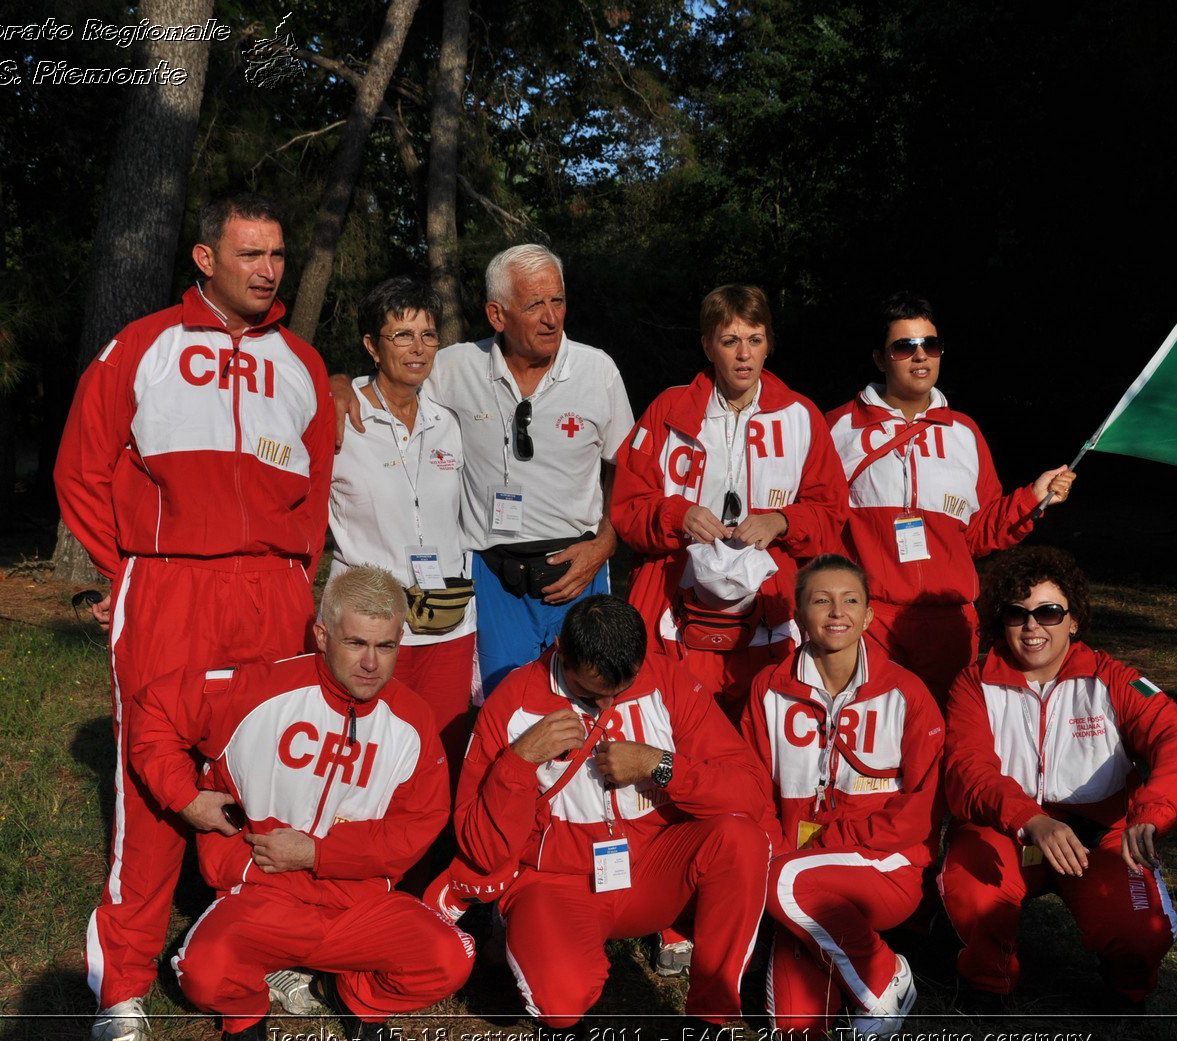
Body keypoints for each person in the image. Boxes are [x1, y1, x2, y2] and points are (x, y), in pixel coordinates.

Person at [53, 193, 334, 1041]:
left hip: (274, 591)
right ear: (206, 259)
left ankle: (262, 946)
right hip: (171, 589)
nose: (268, 270)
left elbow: (316, 490)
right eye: (251, 254)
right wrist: (124, 567)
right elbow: (80, 467)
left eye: (278, 255)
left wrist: (298, 579)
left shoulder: (303, 362)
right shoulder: (144, 346)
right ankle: (125, 981)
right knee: (152, 778)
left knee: (266, 774)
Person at [129, 567, 474, 1041]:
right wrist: (185, 798)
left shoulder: (414, 721)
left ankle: (352, 996)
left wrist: (319, 853)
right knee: (201, 974)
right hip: (261, 894)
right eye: (356, 643)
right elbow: (153, 709)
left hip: (359, 904)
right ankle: (246, 1014)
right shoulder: (258, 689)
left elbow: (414, 830)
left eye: (386, 647)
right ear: (321, 635)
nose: (371, 664)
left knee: (450, 960)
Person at [450, 594, 773, 1041]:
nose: (605, 703)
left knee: (742, 839)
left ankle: (710, 1021)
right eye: (590, 692)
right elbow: (480, 848)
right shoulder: (514, 702)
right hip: (556, 881)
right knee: (560, 1004)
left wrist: (663, 766)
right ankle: (529, 949)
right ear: (561, 650)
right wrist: (518, 763)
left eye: (620, 690)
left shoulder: (665, 679)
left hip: (652, 868)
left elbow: (750, 793)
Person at [338, 245, 633, 696]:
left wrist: (605, 543)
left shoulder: (598, 371)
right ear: (497, 315)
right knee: (502, 701)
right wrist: (335, 383)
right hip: (494, 579)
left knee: (589, 697)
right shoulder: (455, 366)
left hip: (579, 568)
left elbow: (626, 469)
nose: (552, 318)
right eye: (535, 305)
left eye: (558, 301)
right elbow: (393, 378)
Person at [937, 546, 1177, 1012]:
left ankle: (1127, 984)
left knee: (1141, 932)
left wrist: (1152, 813)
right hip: (1008, 830)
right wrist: (1030, 819)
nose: (1032, 626)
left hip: (1102, 837)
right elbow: (969, 768)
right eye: (1016, 613)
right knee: (971, 890)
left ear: (1074, 619)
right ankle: (988, 980)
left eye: (1048, 612)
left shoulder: (1115, 679)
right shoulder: (972, 683)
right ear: (1000, 620)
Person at [612, 284, 847, 723]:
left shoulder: (801, 416)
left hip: (770, 608)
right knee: (673, 728)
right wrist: (677, 514)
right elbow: (627, 507)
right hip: (674, 603)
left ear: (768, 345)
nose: (744, 354)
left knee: (764, 730)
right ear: (707, 346)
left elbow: (832, 512)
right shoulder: (668, 409)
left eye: (755, 340)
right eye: (730, 340)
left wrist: (781, 520)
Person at [825, 293, 1076, 701]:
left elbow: (978, 535)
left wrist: (1033, 497)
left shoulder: (965, 433)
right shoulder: (836, 429)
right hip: (868, 619)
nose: (920, 356)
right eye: (904, 346)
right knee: (869, 745)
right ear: (879, 358)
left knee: (942, 740)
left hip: (948, 624)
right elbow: (818, 526)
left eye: (931, 344)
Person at [740, 555, 944, 1037]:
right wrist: (781, 845)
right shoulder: (768, 687)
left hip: (885, 863)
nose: (837, 612)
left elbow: (921, 810)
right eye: (821, 601)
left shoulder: (906, 693)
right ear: (798, 616)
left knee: (784, 883)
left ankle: (885, 977)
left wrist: (824, 843)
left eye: (851, 600)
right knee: (794, 1025)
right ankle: (841, 952)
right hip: (796, 863)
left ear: (869, 615)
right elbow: (750, 786)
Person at [327, 277, 475, 780]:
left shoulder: (448, 422)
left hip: (448, 623)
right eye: (402, 335)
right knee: (366, 758)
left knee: (440, 755)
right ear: (371, 345)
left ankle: (429, 859)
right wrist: (335, 380)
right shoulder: (341, 418)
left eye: (428, 335)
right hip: (369, 625)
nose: (418, 348)